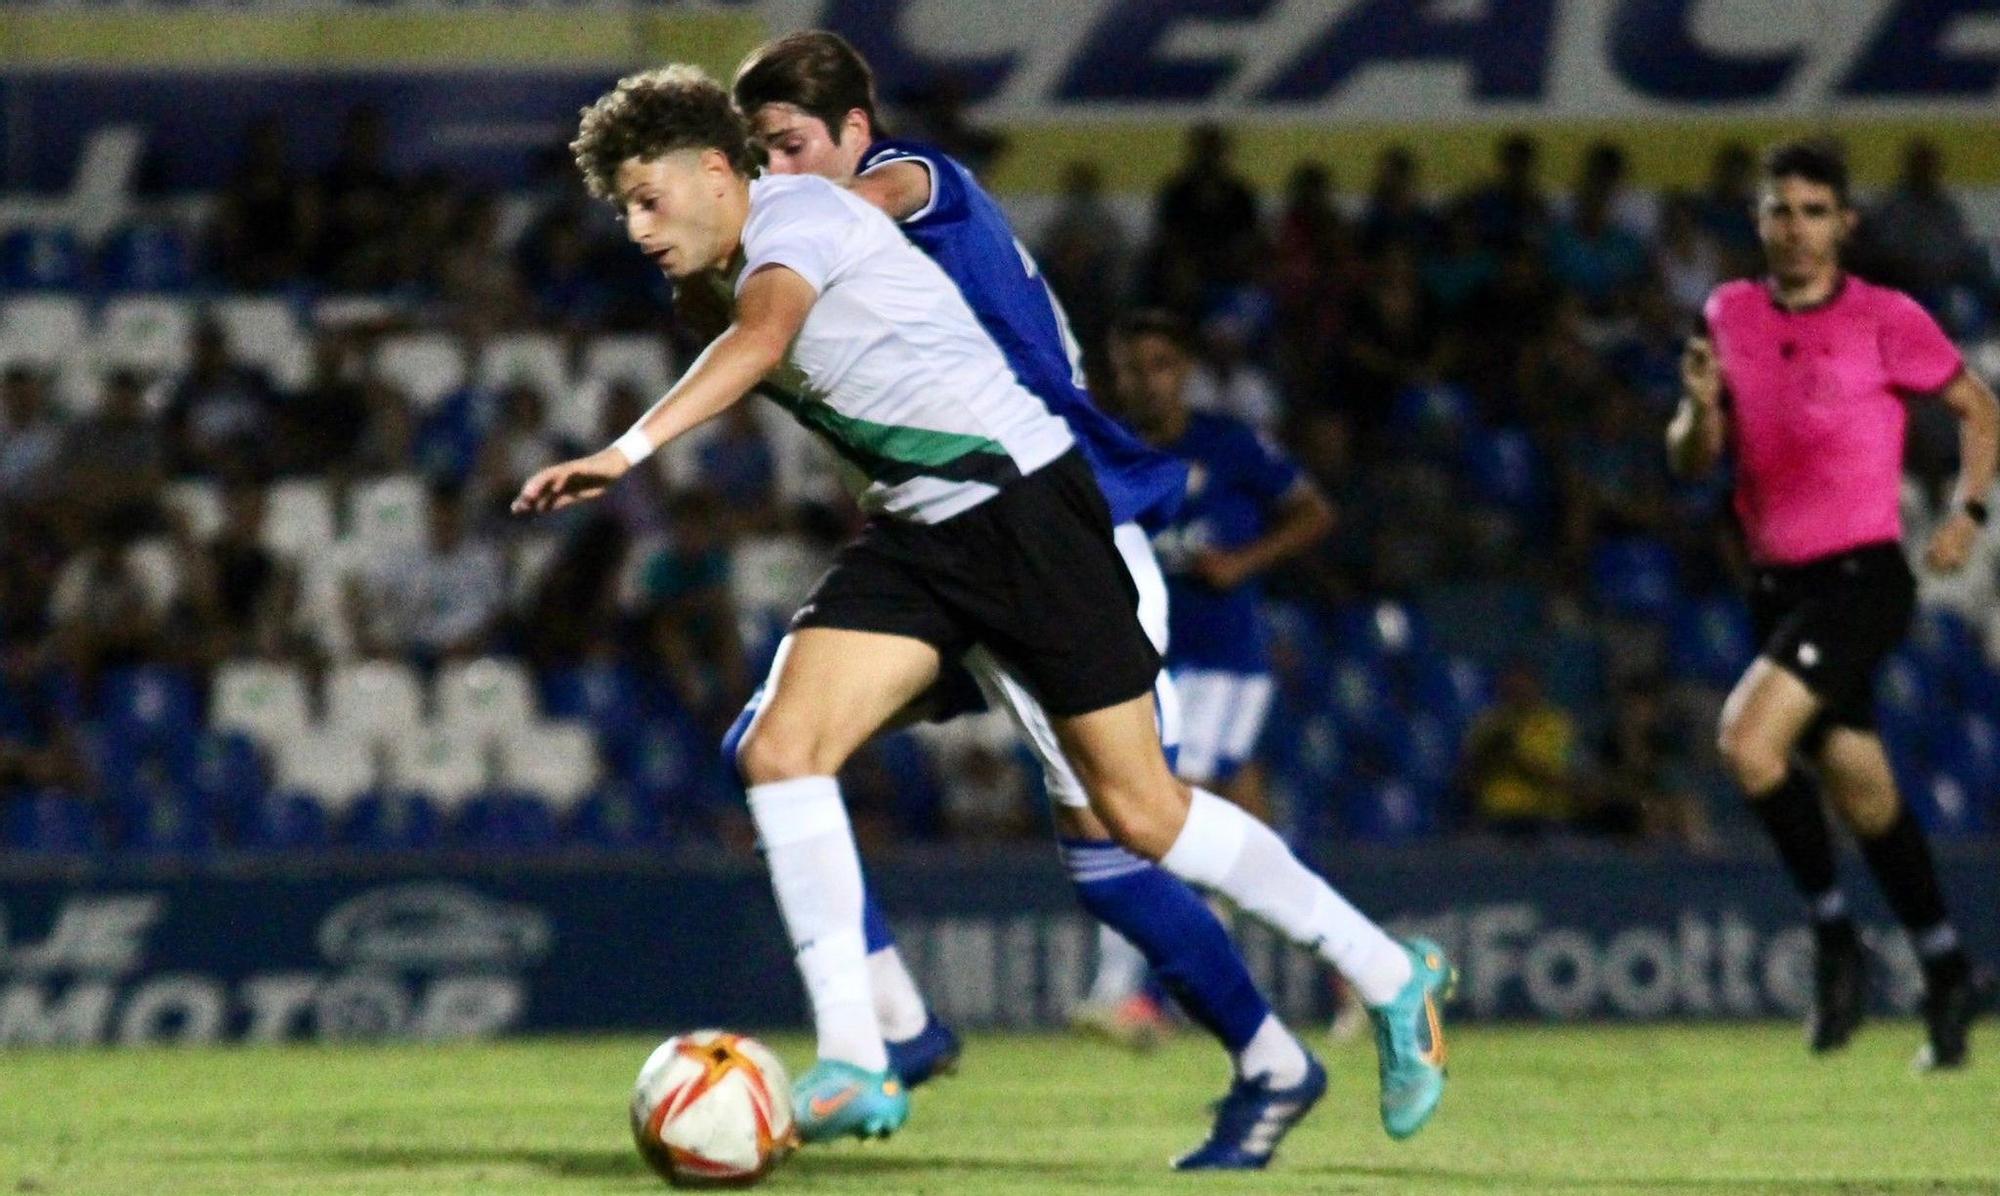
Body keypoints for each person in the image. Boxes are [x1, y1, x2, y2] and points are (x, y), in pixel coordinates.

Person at [515, 63, 1451, 1161]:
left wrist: (623, 451)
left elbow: (764, 338)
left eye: (644, 196)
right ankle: (861, 1052)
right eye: (619, 207)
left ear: (719, 169)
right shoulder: (717, 266)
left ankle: (1389, 972)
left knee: (1140, 817)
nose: (632, 226)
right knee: (778, 748)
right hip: (921, 536)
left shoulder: (803, 214)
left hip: (1026, 515)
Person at [1667, 139, 2000, 1069]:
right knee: (1864, 790)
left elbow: (1983, 407)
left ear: (1845, 224)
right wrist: (1696, 413)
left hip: (1863, 577)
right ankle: (1946, 969)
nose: (1797, 229)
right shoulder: (1727, 312)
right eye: (1781, 210)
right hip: (1774, 586)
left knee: (1747, 741)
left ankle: (1833, 937)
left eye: (1815, 211)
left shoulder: (1887, 318)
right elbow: (1692, 459)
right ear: (1761, 221)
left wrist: (1969, 513)